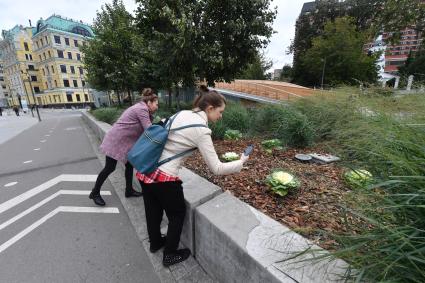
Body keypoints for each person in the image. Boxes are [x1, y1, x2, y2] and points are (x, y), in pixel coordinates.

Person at [136, 85, 249, 267]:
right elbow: (217, 168)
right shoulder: (202, 130)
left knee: (153, 210)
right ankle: (170, 254)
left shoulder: (182, 114)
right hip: (164, 177)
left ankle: (155, 242)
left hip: (146, 169)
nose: (221, 116)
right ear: (210, 108)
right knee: (177, 213)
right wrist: (240, 163)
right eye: (220, 112)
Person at [89, 88, 159, 206]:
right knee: (110, 168)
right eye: (156, 104)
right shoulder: (141, 109)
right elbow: (148, 129)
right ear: (149, 103)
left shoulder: (143, 109)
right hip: (116, 141)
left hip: (123, 141)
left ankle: (129, 190)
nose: (158, 107)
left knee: (129, 165)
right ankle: (94, 192)